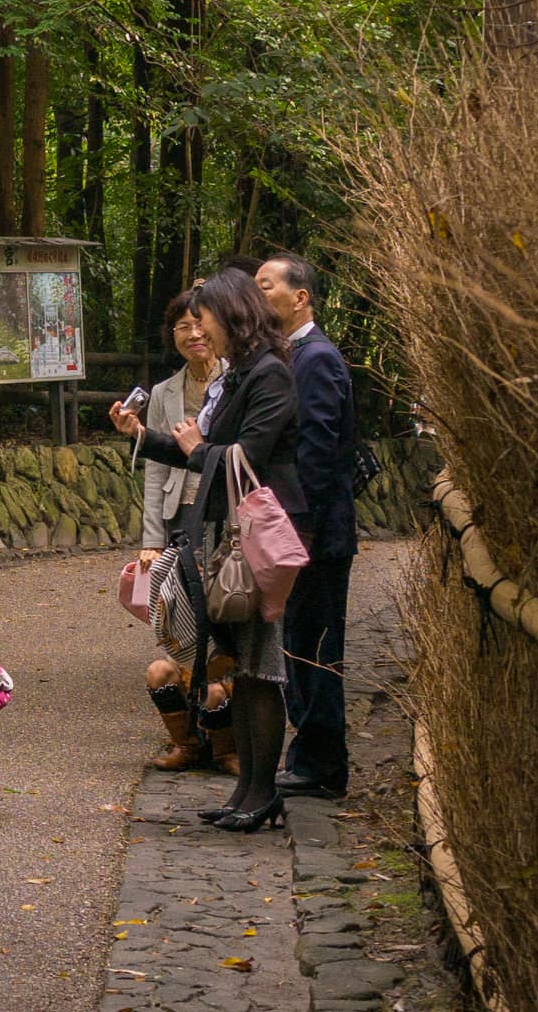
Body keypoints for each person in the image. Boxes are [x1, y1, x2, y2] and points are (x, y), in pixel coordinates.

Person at [110, 269, 304, 833]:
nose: (200, 330)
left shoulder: (270, 374)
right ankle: (245, 790)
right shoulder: (241, 373)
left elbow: (248, 455)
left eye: (206, 318)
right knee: (239, 665)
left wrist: (199, 448)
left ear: (232, 315)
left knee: (260, 668)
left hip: (255, 541)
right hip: (224, 536)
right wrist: (142, 436)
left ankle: (261, 792)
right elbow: (202, 448)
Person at [257, 253, 358, 800]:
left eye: (266, 286)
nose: (257, 295)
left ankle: (321, 762)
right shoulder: (290, 355)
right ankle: (310, 757)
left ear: (300, 298)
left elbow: (316, 452)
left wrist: (298, 530)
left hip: (315, 534)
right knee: (298, 641)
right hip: (303, 531)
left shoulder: (315, 358)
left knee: (315, 645)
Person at [136, 292, 236, 776]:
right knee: (179, 612)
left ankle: (228, 735)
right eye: (182, 327)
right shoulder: (163, 392)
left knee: (227, 608)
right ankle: (188, 738)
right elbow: (156, 469)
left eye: (201, 324)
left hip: (228, 512)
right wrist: (151, 538)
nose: (194, 334)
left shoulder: (237, 379)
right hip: (183, 516)